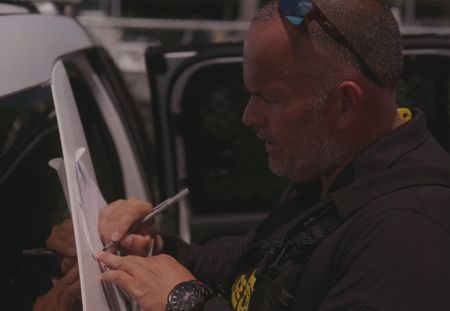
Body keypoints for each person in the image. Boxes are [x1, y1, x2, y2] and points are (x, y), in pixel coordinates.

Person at [43, 0, 450, 310]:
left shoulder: (408, 237)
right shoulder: (333, 169)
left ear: (345, 104)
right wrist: (151, 250)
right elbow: (251, 262)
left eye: (268, 98)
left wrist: (186, 301)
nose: (247, 116)